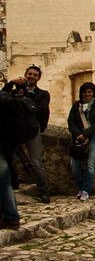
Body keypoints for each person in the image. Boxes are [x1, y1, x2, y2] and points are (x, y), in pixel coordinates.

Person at [2, 65, 51, 203]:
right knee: (10, 159)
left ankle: (44, 192)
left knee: (36, 161)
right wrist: (11, 83)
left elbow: (42, 110)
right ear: (25, 75)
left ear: (39, 78)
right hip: (15, 130)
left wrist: (26, 96)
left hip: (32, 129)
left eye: (35, 75)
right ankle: (13, 184)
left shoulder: (42, 94)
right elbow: (2, 98)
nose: (31, 77)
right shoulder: (14, 91)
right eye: (29, 74)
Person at [67, 81, 95, 201]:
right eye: (84, 92)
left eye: (89, 92)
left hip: (94, 137)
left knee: (90, 164)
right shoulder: (76, 106)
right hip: (78, 139)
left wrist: (86, 134)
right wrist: (78, 134)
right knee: (74, 165)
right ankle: (81, 187)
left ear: (93, 93)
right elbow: (71, 121)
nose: (87, 94)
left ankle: (86, 190)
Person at [0, 88, 21, 230]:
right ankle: (10, 216)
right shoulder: (6, 100)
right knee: (4, 183)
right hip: (7, 147)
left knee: (4, 183)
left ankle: (11, 217)